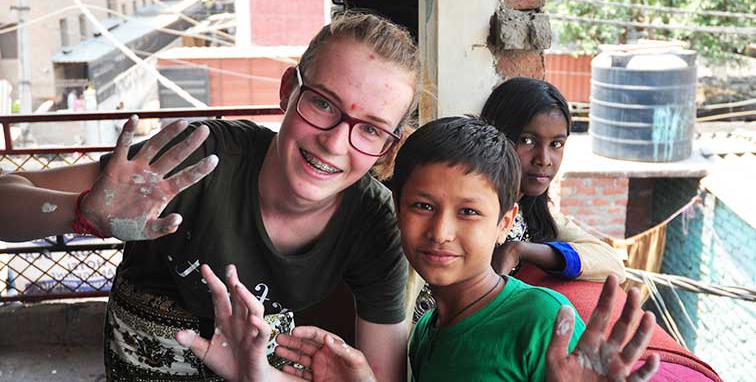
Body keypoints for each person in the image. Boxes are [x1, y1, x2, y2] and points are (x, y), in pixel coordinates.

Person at [0, 12, 419, 382]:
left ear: (390, 144)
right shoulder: (197, 159)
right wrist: (81, 213)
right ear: (289, 88)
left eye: (370, 129)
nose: (334, 143)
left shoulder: (374, 224)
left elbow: (380, 375)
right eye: (323, 104)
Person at [180, 117, 660, 382]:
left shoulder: (540, 320)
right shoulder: (426, 331)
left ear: (505, 223)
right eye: (423, 206)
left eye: (469, 213)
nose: (440, 232)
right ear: (397, 207)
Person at [481, 77, 626, 282]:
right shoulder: (471, 208)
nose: (544, 159)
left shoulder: (533, 214)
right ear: (495, 136)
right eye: (527, 141)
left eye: (556, 144)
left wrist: (519, 250)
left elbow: (614, 265)